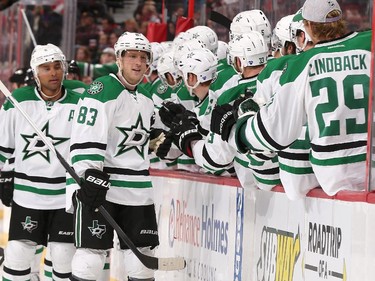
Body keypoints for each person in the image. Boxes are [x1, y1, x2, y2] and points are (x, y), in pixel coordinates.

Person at [212, 0, 371, 197]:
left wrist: (236, 130)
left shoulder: (300, 66)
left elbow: (274, 132)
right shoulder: (369, 44)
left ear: (308, 27)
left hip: (334, 176)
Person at [68, 32, 160, 281]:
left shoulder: (147, 96)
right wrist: (87, 175)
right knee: (91, 256)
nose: (138, 63)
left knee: (141, 260)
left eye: (143, 57)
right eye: (132, 56)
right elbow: (85, 136)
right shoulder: (103, 89)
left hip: (139, 190)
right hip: (102, 186)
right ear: (119, 59)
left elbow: (151, 140)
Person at [0, 43, 78, 280]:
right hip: (28, 194)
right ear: (35, 73)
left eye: (57, 67)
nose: (53, 73)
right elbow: (4, 144)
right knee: (18, 254)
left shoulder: (79, 102)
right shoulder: (18, 101)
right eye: (45, 68)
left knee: (64, 255)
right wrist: (4, 174)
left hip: (65, 196)